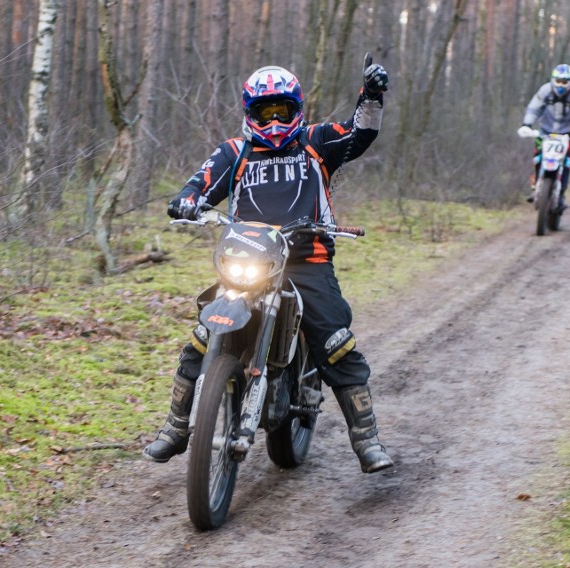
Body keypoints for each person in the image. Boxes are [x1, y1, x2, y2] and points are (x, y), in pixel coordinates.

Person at [143, 62, 394, 474]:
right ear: (250, 113)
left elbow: (360, 133)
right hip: (247, 261)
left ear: (296, 107)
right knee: (204, 335)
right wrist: (186, 201)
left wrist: (371, 97)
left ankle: (367, 439)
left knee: (335, 340)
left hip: (305, 260)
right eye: (264, 112)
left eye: (282, 109)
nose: (274, 120)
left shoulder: (317, 142)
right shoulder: (234, 153)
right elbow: (198, 184)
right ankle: (175, 427)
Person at [517, 64, 570, 210]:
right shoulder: (545, 90)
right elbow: (533, 107)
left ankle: (562, 194)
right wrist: (527, 124)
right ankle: (535, 187)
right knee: (537, 157)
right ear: (553, 79)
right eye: (558, 81)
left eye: (564, 82)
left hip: (566, 134)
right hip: (545, 131)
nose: (561, 85)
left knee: (568, 162)